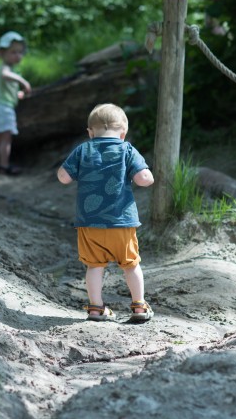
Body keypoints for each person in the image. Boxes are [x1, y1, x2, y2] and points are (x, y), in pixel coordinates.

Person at [57, 103, 155, 323]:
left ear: (90, 132)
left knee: (94, 266)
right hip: (121, 222)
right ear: (123, 133)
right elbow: (144, 179)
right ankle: (139, 307)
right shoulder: (127, 149)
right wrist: (147, 176)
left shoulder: (83, 149)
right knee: (131, 264)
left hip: (89, 224)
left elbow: (63, 177)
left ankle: (96, 309)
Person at [0, 31, 32, 175]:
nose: (18, 55)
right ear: (2, 53)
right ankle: (4, 166)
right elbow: (5, 75)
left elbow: (7, 88)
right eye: (13, 52)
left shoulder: (10, 70)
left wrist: (18, 94)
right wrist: (22, 81)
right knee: (5, 140)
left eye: (20, 52)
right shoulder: (5, 68)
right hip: (3, 108)